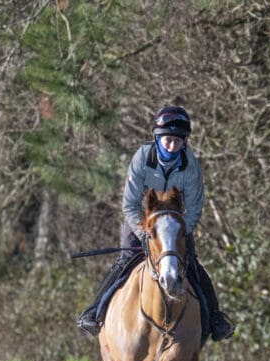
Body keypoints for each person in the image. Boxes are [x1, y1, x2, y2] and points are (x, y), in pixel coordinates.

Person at [76, 104, 235, 341]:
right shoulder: (142, 158)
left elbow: (194, 208)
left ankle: (215, 318)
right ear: (158, 138)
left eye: (178, 141)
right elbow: (130, 204)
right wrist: (145, 235)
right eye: (168, 140)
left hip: (175, 225)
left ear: (184, 142)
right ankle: (94, 312)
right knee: (125, 260)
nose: (172, 146)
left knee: (192, 264)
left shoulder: (191, 164)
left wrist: (178, 233)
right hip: (142, 221)